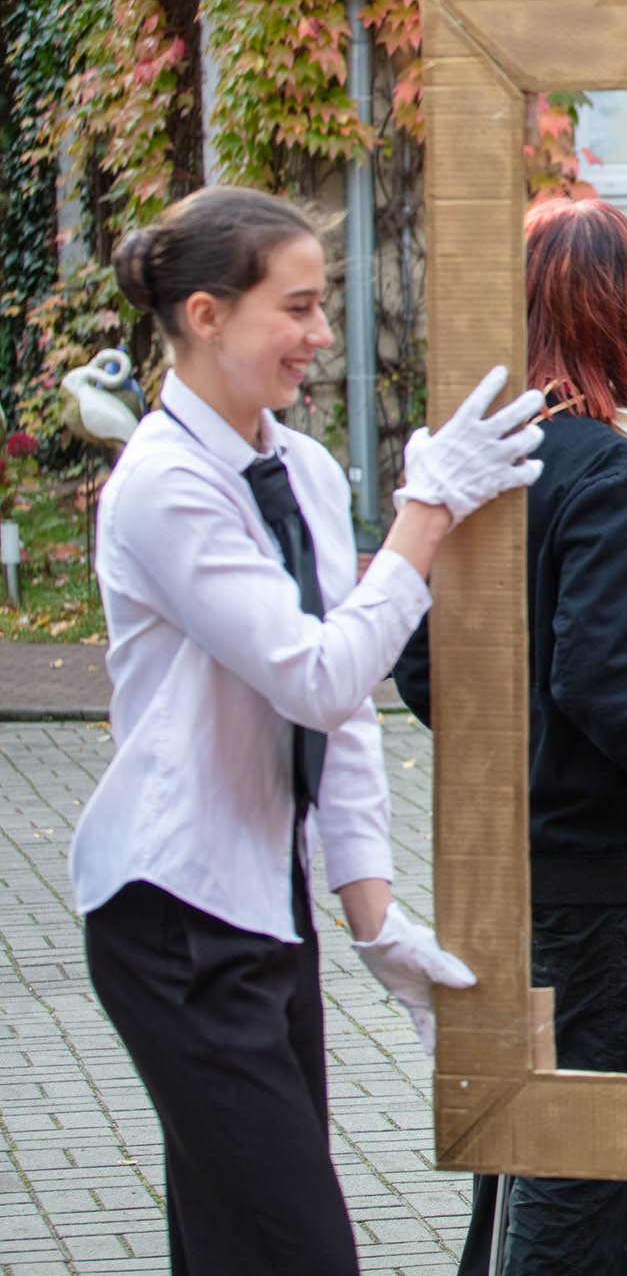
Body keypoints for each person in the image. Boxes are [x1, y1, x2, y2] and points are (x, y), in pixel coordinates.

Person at [74, 186, 536, 1276]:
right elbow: (316, 675)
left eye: (322, 304)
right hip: (171, 910)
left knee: (233, 1243)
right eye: (297, 307)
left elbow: (351, 711)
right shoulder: (162, 485)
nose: (322, 334)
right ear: (204, 315)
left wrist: (374, 923)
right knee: (296, 1247)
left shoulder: (307, 470)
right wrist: (426, 515)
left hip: (264, 907)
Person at [402, 197, 627, 1273]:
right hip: (589, 868)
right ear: (623, 315)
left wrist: (515, 755)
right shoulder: (603, 469)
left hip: (501, 862)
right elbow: (606, 678)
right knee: (587, 1151)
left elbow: (420, 666)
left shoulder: (477, 467)